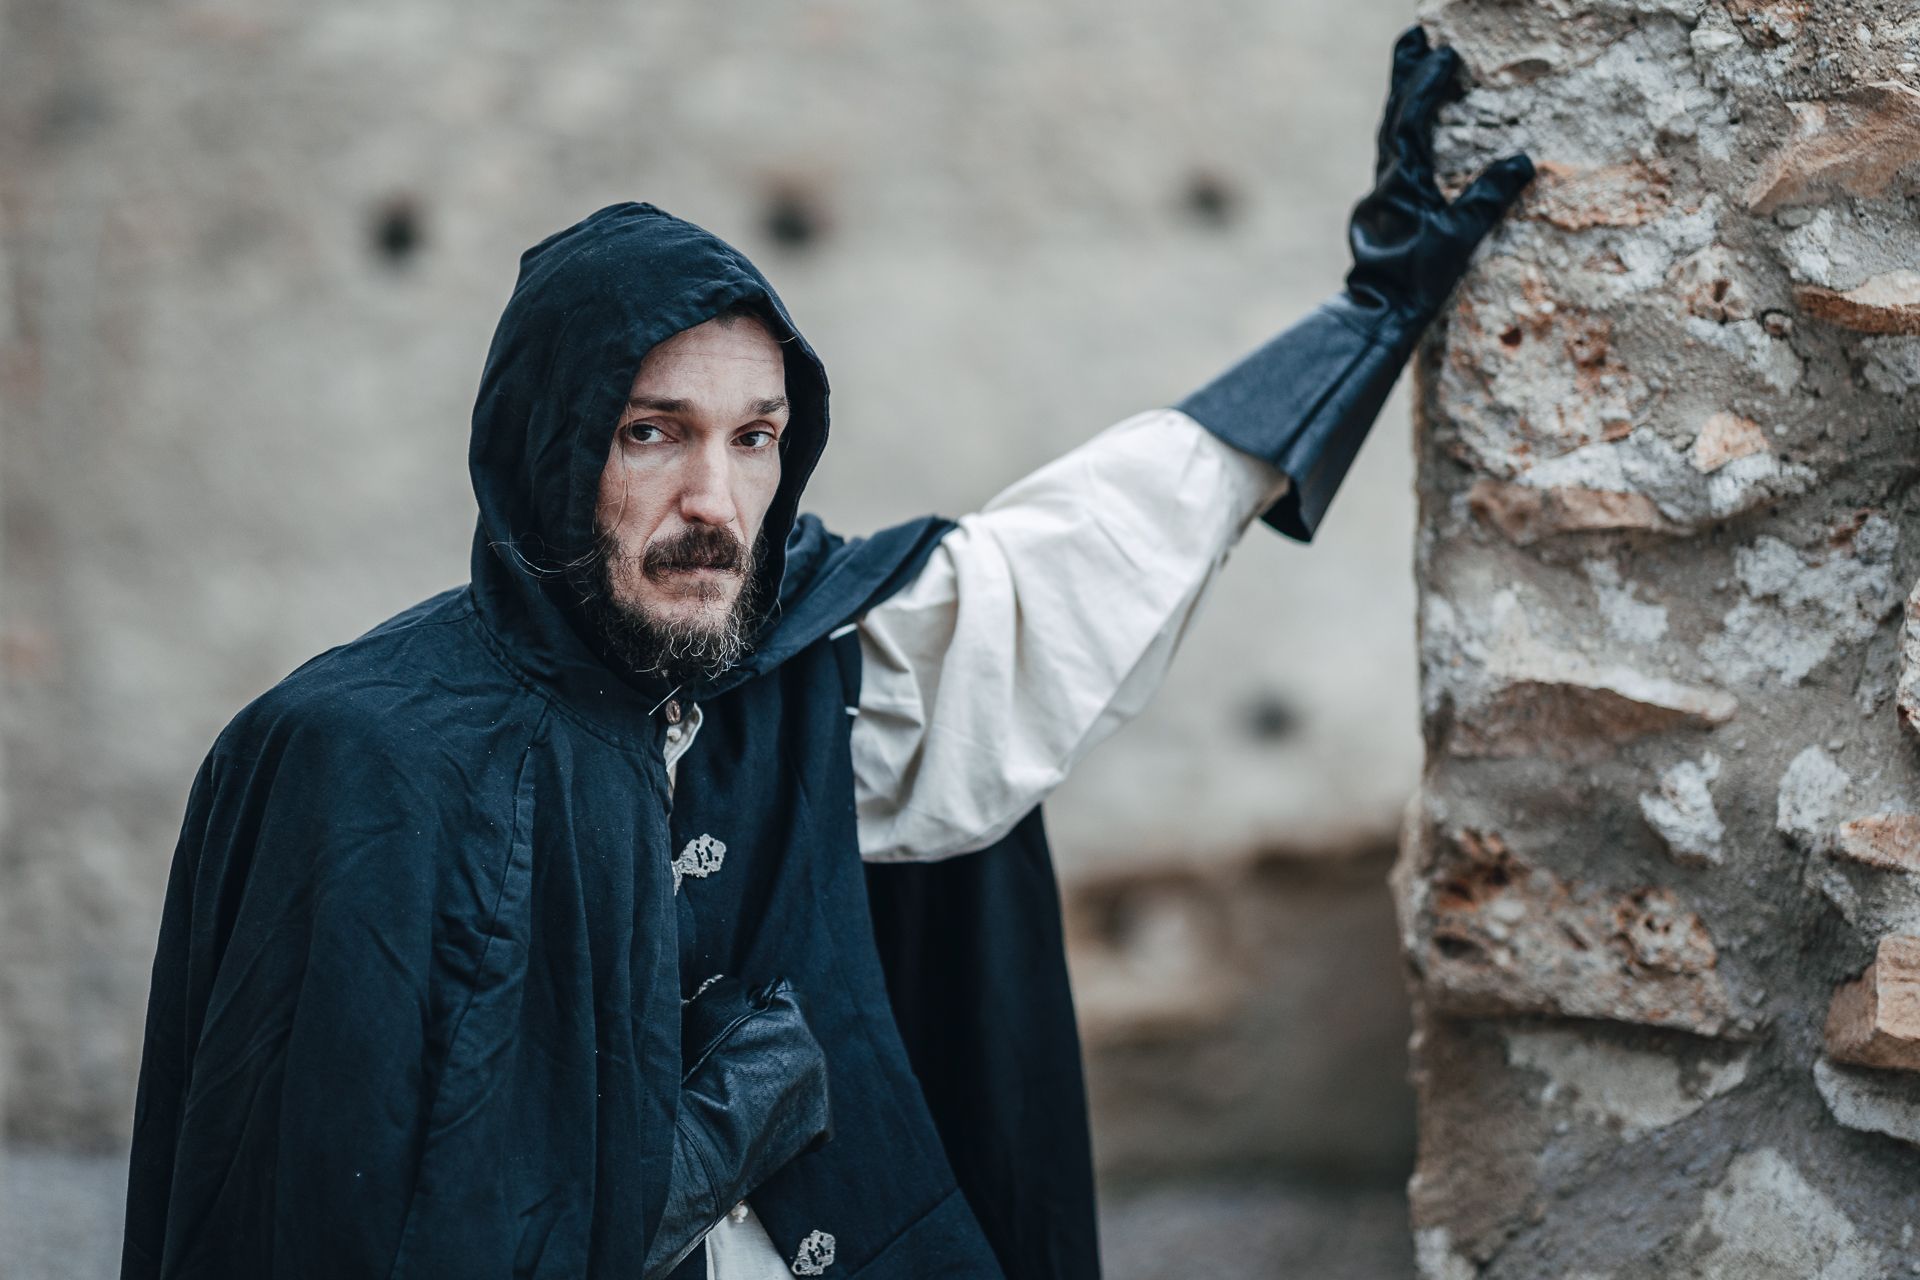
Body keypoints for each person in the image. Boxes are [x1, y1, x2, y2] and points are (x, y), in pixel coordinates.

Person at [121, 25, 1531, 1280]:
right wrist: (700, 1142)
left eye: (756, 439)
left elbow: (1089, 555)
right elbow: (311, 1215)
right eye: (653, 431)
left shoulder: (808, 666)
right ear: (548, 454)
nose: (714, 503)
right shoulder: (359, 758)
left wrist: (1366, 317)